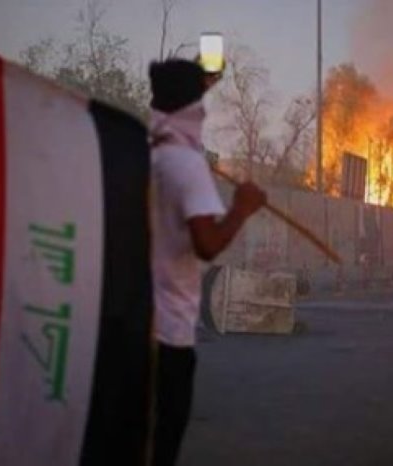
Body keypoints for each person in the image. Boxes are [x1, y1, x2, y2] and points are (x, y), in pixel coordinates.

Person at [148, 58, 267, 466]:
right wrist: (242, 208)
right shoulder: (185, 163)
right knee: (164, 443)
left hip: (139, 324)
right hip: (172, 333)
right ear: (195, 106)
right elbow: (207, 245)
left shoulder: (152, 157)